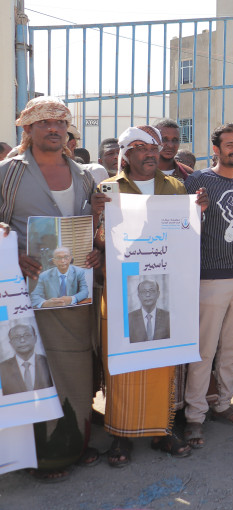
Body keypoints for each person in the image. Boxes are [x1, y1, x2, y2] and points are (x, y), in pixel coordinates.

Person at [1, 95, 105, 480]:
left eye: (61, 123)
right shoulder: (7, 174)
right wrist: (12, 257)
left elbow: (88, 230)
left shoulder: (82, 174)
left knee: (77, 369)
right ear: (26, 129)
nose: (54, 129)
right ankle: (42, 456)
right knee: (34, 371)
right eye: (45, 122)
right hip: (25, 296)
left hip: (75, 295)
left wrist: (94, 251)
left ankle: (75, 441)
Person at [99, 125, 207, 467]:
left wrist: (196, 211)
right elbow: (97, 240)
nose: (150, 153)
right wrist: (95, 215)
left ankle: (163, 431)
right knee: (123, 364)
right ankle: (121, 434)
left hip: (164, 286)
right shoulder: (108, 189)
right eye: (142, 148)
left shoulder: (175, 187)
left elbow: (183, 235)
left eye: (154, 148)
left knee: (163, 361)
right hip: (122, 288)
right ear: (126, 153)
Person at [183, 123, 233, 447]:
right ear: (216, 149)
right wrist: (196, 210)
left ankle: (224, 404)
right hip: (209, 280)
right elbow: (180, 226)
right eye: (230, 144)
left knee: (231, 350)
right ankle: (194, 417)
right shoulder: (197, 181)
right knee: (203, 352)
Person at [0, 321, 54, 395]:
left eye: (27, 335)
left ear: (35, 338)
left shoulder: (47, 362)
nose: (22, 340)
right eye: (16, 337)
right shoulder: (2, 368)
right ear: (11, 343)